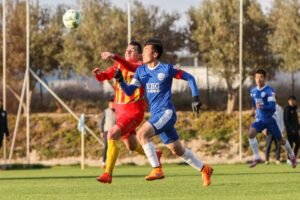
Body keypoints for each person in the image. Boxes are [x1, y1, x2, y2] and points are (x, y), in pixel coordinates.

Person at [115, 39, 213, 187]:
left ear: (155, 54)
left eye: (146, 51)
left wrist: (195, 98)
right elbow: (129, 92)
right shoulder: (141, 71)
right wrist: (121, 81)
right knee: (177, 150)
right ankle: (205, 169)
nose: (142, 54)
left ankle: (157, 169)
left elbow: (190, 78)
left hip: (167, 113)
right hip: (156, 116)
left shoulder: (167, 69)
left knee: (142, 134)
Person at [92, 41, 161, 184]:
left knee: (111, 134)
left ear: (139, 55)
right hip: (120, 112)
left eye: (132, 51)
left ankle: (107, 174)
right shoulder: (118, 65)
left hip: (134, 112)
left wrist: (113, 55)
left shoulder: (141, 67)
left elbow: (128, 66)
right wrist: (98, 75)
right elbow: (106, 75)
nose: (128, 52)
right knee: (130, 145)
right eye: (126, 50)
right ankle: (155, 154)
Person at [248, 69, 297, 168]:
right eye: (256, 77)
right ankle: (257, 157)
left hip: (270, 120)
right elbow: (254, 102)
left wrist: (262, 107)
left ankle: (292, 156)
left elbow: (272, 107)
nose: (258, 79)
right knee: (251, 134)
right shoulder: (253, 91)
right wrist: (253, 110)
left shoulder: (269, 91)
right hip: (260, 120)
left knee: (281, 140)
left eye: (261, 77)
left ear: (264, 78)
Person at [100, 98, 115, 169]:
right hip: (107, 131)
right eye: (111, 103)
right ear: (109, 104)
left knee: (113, 147)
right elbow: (102, 122)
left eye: (113, 103)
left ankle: (111, 162)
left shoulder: (117, 112)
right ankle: (103, 162)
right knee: (106, 146)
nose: (112, 105)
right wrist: (101, 131)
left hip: (115, 132)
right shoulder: (105, 111)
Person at [284, 95, 300, 164]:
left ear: (295, 101)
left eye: (293, 101)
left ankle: (293, 158)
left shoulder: (295, 109)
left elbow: (296, 121)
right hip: (289, 131)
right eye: (291, 101)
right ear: (288, 101)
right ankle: (288, 159)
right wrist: (291, 129)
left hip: (296, 131)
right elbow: (286, 120)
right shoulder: (287, 109)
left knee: (298, 143)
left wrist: (298, 127)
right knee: (290, 145)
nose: (292, 102)